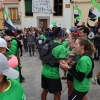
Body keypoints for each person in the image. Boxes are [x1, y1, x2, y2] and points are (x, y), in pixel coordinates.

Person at [41, 27, 67, 100]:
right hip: (53, 75)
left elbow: (43, 60)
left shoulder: (48, 44)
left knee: (45, 90)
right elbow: (62, 65)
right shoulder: (61, 47)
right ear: (62, 35)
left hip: (44, 72)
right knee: (57, 93)